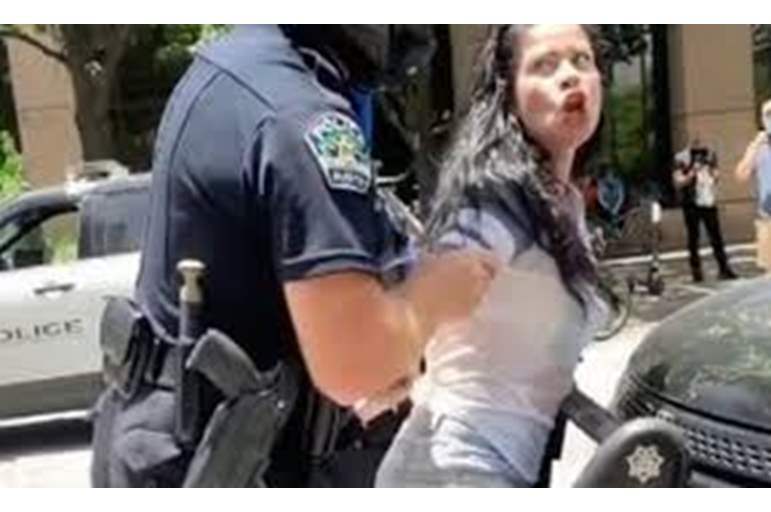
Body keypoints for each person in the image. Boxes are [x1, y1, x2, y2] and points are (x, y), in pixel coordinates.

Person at [90, 25, 500, 488]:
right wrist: (436, 293)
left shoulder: (242, 64)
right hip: (223, 453)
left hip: (181, 431)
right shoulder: (301, 116)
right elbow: (355, 362)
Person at [375, 24, 608, 488]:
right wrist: (393, 355)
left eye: (581, 60)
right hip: (454, 469)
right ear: (509, 94)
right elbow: (436, 286)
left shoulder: (561, 202)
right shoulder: (498, 200)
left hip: (497, 464)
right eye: (544, 65)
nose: (570, 75)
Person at [672, 137, 737, 282]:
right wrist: (692, 173)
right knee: (693, 237)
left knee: (716, 236)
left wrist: (712, 174)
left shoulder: (709, 155)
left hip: (708, 200)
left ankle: (724, 268)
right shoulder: (681, 158)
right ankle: (696, 271)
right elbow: (678, 181)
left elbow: (716, 174)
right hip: (691, 203)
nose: (699, 144)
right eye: (696, 143)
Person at [735, 98, 771, 271]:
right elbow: (741, 175)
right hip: (767, 219)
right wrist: (756, 145)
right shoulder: (757, 148)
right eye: (768, 115)